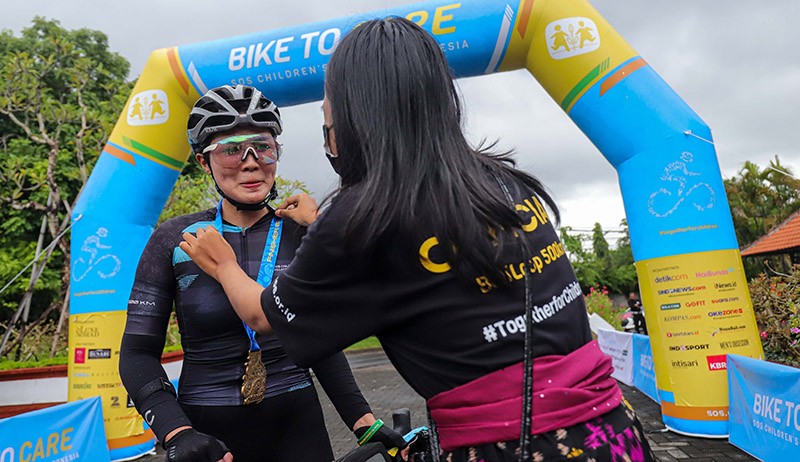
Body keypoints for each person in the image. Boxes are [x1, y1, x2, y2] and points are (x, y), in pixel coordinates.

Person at [181, 19, 655, 462]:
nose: (250, 161)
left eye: (328, 118)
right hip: (614, 433)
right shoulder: (505, 180)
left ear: (354, 119)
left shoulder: (360, 219)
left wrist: (223, 264)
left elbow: (265, 316)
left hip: (511, 445)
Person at [119, 85, 405, 462]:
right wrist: (177, 432)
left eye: (263, 147)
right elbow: (137, 353)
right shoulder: (175, 238)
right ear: (204, 163)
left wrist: (362, 420)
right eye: (232, 149)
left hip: (296, 422)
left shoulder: (300, 231)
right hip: (206, 427)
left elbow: (316, 338)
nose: (250, 161)